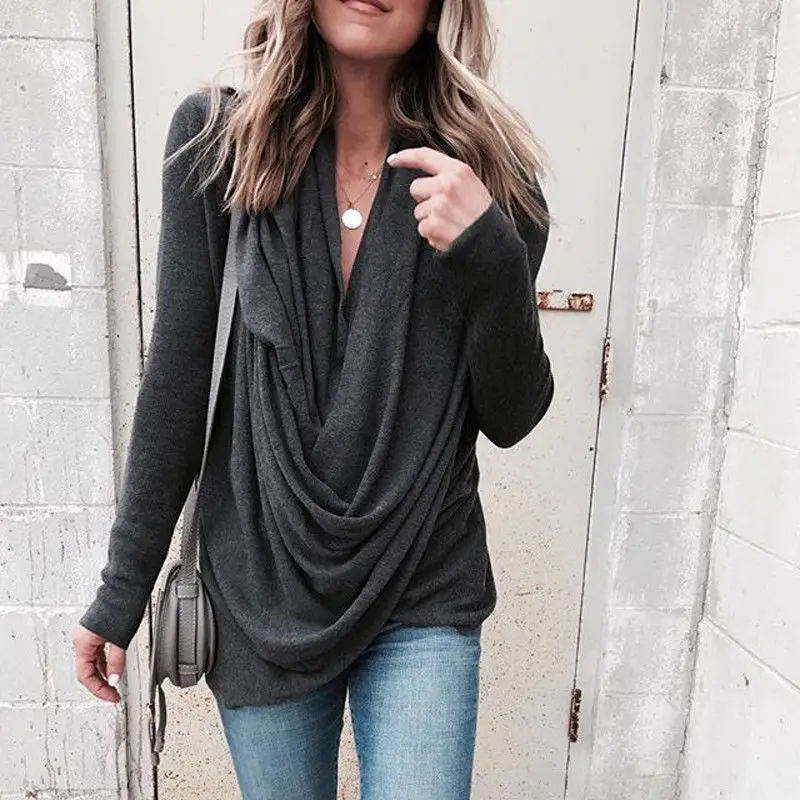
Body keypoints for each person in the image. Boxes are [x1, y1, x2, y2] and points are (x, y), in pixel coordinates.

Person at [72, 0, 554, 797]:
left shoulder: (490, 176)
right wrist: (122, 591)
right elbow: (178, 380)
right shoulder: (219, 143)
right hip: (262, 581)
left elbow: (512, 416)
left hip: (423, 577)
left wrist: (490, 257)